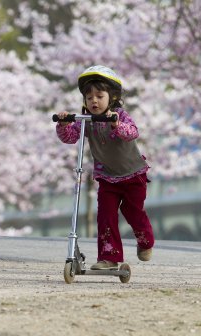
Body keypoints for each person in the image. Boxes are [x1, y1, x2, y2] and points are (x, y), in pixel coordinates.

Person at [55, 65, 154, 270]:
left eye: (99, 96)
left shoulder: (119, 115)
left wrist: (116, 125)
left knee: (132, 211)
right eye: (89, 97)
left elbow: (132, 133)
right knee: (105, 215)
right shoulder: (86, 121)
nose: (94, 101)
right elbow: (70, 138)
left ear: (112, 97)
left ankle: (145, 241)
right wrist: (63, 124)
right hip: (107, 178)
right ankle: (109, 257)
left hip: (133, 175)